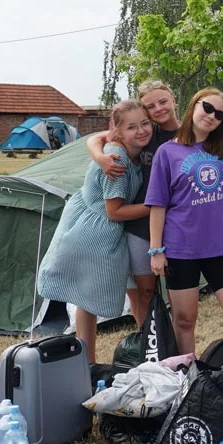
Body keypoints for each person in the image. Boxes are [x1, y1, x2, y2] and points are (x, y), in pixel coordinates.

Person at [145, 88, 223, 361]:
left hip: (219, 249)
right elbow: (158, 205)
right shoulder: (167, 152)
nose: (211, 116)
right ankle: (190, 381)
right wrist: (156, 250)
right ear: (194, 105)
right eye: (207, 108)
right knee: (185, 320)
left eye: (219, 114)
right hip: (180, 250)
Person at [38, 100, 153, 362]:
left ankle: (86, 362)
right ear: (119, 132)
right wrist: (155, 206)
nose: (142, 130)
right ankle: (96, 360)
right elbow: (115, 211)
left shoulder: (122, 149)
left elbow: (97, 138)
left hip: (90, 224)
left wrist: (97, 152)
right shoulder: (118, 159)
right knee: (93, 299)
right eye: (133, 127)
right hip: (95, 231)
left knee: (86, 302)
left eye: (145, 123)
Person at [89, 79, 182, 324]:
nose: (159, 109)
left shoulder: (188, 134)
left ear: (174, 99)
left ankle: (177, 345)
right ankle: (148, 344)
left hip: (177, 224)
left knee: (178, 292)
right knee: (145, 292)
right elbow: (97, 138)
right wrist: (100, 158)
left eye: (163, 101)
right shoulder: (145, 133)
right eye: (151, 106)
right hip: (140, 227)